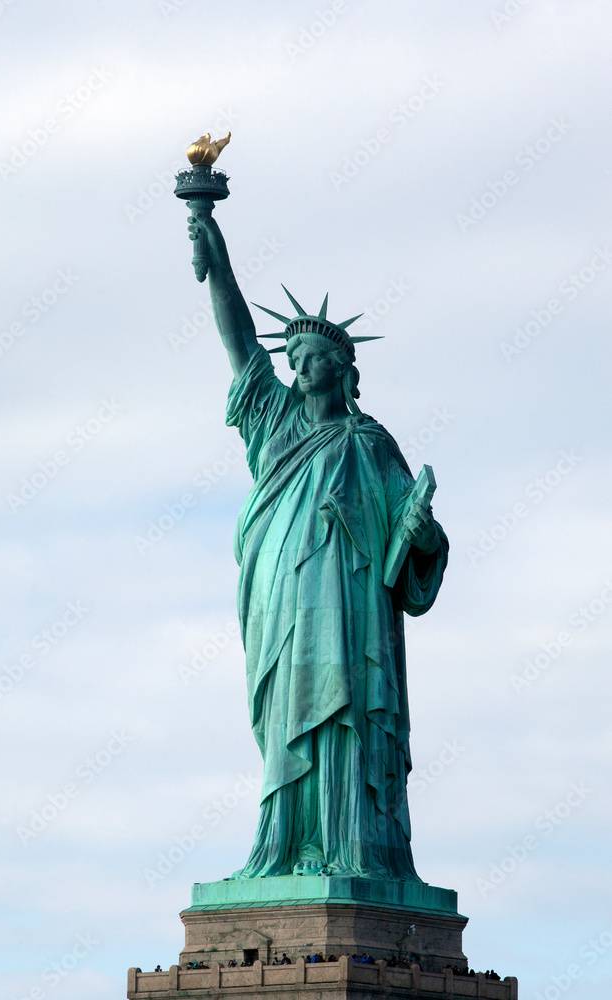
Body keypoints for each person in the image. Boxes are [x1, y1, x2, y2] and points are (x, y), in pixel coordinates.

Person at [186, 206, 448, 880]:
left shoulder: (370, 444)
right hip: (282, 595)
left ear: (341, 370)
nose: (299, 369)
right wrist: (213, 248)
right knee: (289, 713)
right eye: (293, 360)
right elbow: (238, 338)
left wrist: (421, 534)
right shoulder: (270, 417)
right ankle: (284, 846)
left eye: (312, 361)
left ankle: (351, 849)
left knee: (348, 717)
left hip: (353, 610)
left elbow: (411, 539)